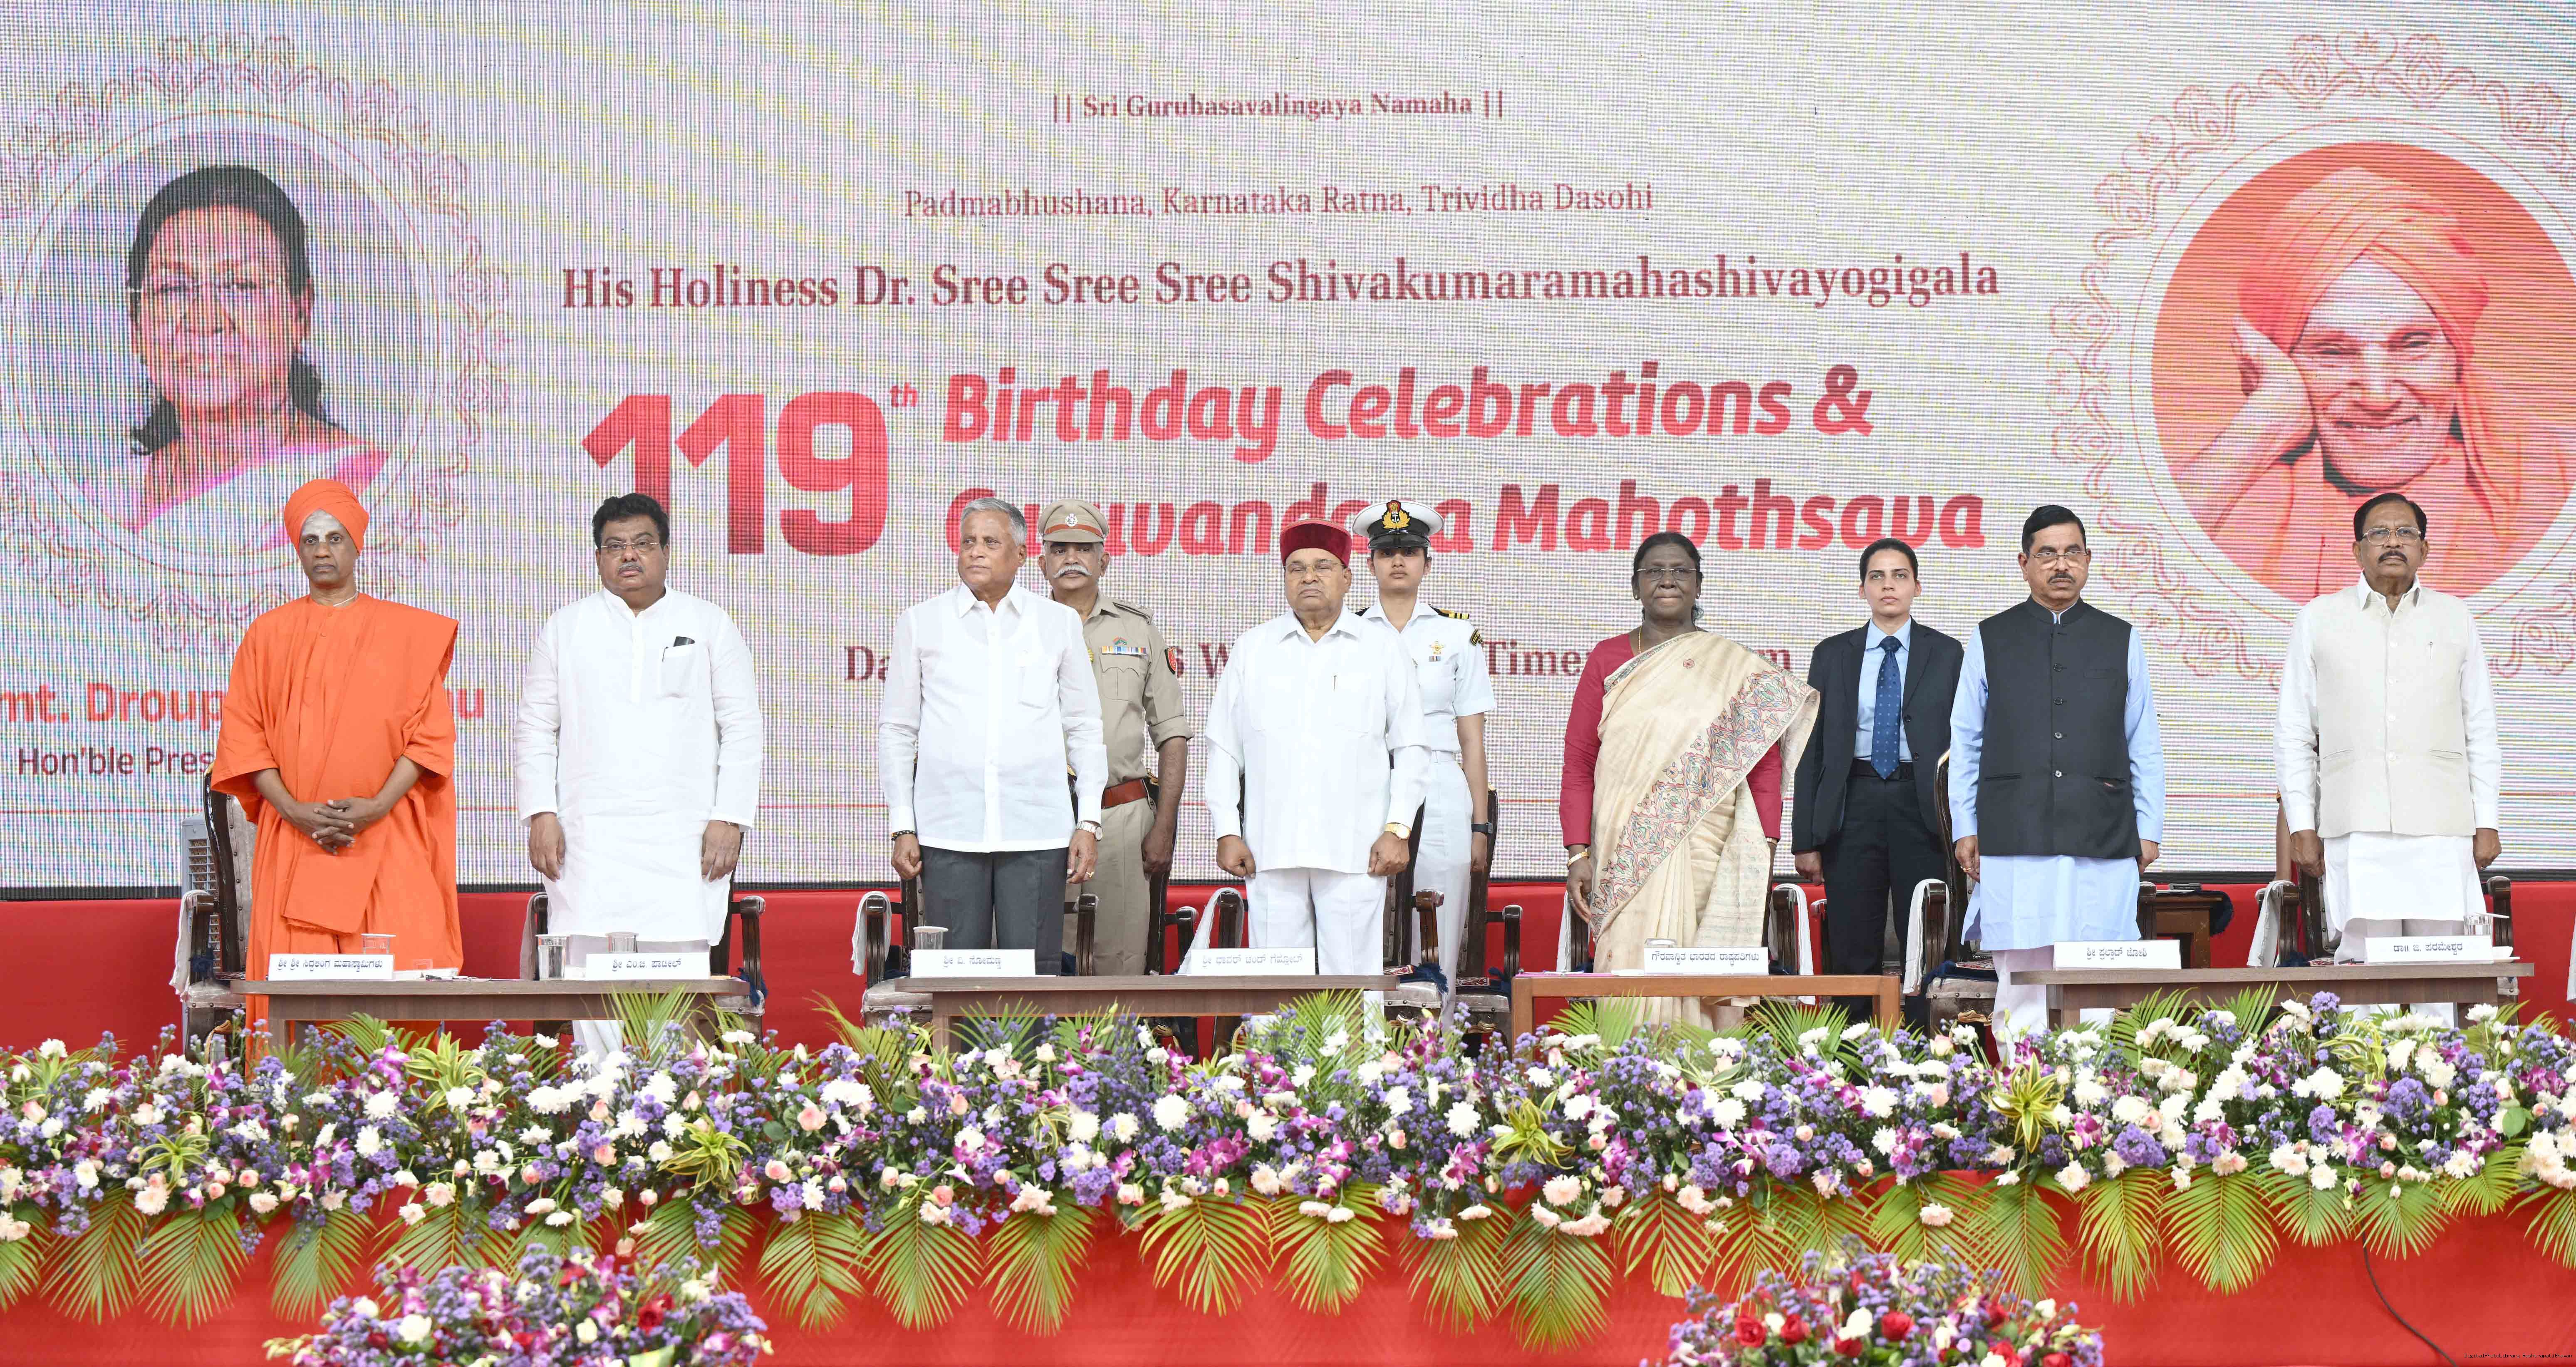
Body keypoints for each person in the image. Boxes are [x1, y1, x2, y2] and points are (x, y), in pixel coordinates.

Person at [2175, 165, 2573, 601]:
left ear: (2456, 355)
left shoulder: (2556, 480)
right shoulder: (2223, 485)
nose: (2378, 396)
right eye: (2332, 351)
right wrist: (2264, 423)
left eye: (2413, 344)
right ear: (2282, 359)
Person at [516, 492, 763, 1054]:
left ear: (667, 552)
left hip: (682, 843)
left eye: (643, 543)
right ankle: (598, 1104)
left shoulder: (708, 623)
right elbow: (534, 729)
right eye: (615, 546)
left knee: (677, 1002)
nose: (629, 556)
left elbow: (744, 728)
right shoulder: (566, 628)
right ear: (598, 558)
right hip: (588, 841)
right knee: (592, 990)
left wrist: (729, 817)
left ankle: (671, 1106)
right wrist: (541, 812)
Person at [211, 479, 460, 1026]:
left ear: (356, 545)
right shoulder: (267, 635)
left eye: (335, 538)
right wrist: (293, 810)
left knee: (398, 990)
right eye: (311, 540)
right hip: (295, 839)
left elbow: (429, 738)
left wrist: (377, 806)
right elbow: (244, 739)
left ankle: (397, 1088)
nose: (322, 550)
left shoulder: (406, 632)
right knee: (297, 1007)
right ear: (298, 551)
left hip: (387, 834)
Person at [1560, 532, 1816, 1025]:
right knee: (1628, 965)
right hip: (1625, 845)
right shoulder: (1606, 659)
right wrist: (1577, 853)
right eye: (1654, 571)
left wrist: (1765, 843)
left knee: (1703, 967)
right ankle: (1630, 1068)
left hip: (1709, 845)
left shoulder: (1735, 666)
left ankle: (1709, 1069)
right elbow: (1579, 763)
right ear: (1635, 587)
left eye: (1681, 571)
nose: (1667, 580)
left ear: (1699, 586)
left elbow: (1764, 766)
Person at [84, 165, 389, 555]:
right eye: (173, 288)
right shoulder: (103, 509)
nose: (205, 320)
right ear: (136, 327)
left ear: (300, 312)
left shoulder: (374, 495)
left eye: (241, 285)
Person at [1949, 506, 2166, 1037]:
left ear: (2089, 560)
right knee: (2022, 978)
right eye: (2047, 554)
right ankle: (2021, 1083)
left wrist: (2149, 827)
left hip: (2102, 830)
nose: (2061, 565)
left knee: (2098, 975)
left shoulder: (2121, 637)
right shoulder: (1991, 636)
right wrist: (1966, 826)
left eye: (2072, 553)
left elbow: (2144, 740)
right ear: (2024, 564)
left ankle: (2094, 1084)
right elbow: (1966, 739)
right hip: (2015, 831)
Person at [879, 496, 1105, 972]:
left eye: (989, 542)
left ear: (1021, 554)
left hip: (1038, 831)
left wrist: (1088, 822)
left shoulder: (1057, 624)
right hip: (949, 831)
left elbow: (1084, 727)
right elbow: (897, 730)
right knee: (956, 978)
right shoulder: (921, 622)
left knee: (1036, 977)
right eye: (968, 542)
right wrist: (903, 825)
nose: (975, 552)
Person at [2276, 491, 2502, 961]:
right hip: (2357, 826)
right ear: (2357, 550)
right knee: (2366, 972)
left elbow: (2480, 728)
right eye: (2379, 533)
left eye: (2406, 533)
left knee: (2443, 967)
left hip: (2441, 828)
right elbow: (2294, 731)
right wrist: (2302, 824)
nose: (2393, 542)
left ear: (2425, 549)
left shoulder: (2455, 617)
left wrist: (2487, 821)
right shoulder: (2319, 618)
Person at [1204, 521, 1428, 975]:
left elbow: (1412, 747)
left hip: (1356, 849)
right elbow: (1225, 749)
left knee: (1354, 980)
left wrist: (1398, 828)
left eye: (1322, 567)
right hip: (1271, 849)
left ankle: (1356, 1032)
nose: (1309, 577)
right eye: (1296, 568)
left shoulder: (1381, 647)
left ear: (1347, 578)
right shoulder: (1254, 648)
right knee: (1276, 983)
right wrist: (1227, 830)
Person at [1790, 537, 1962, 1019]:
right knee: (1852, 940)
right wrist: (1805, 839)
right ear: (1862, 588)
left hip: (1923, 806)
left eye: (1900, 576)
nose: (1889, 586)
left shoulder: (1947, 653)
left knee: (1926, 939)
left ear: (1917, 587)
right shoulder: (1833, 654)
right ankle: (1853, 1052)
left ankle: (1927, 1050)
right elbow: (1811, 749)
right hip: (1853, 802)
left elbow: (1968, 746)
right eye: (1877, 577)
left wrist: (1969, 828)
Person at [1038, 499, 1192, 975]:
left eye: (1083, 548)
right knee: (1038, 960)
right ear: (1041, 563)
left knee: (1120, 963)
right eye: (1059, 548)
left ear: (1103, 561)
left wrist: (1164, 827)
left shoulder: (1138, 630)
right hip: (1039, 817)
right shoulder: (1020, 628)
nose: (1071, 558)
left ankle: (1117, 1034)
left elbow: (1172, 735)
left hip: (1121, 819)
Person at [1349, 499, 1495, 985]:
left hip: (1441, 785)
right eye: (1386, 552)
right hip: (1368, 783)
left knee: (1438, 919)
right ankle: (1366, 1029)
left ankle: (1440, 1029)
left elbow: (1472, 740)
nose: (1398, 561)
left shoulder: (1458, 634)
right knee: (1362, 920)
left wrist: (1480, 827)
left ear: (1427, 565)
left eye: (1409, 552)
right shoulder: (1349, 634)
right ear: (1369, 564)